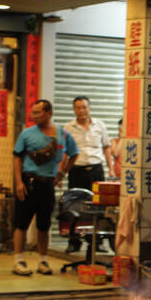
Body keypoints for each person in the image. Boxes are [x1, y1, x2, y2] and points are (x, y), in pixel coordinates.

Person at [12, 99, 79, 276]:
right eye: (32, 112)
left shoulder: (63, 135)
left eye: (37, 113)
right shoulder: (26, 134)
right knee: (21, 223)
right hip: (28, 183)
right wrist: (19, 182)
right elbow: (17, 158)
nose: (33, 116)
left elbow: (74, 154)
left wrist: (62, 173)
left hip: (48, 184)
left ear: (49, 113)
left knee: (44, 225)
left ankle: (43, 260)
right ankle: (18, 260)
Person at [63, 96, 111, 252]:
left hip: (96, 170)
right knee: (74, 206)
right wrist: (61, 172)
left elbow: (106, 147)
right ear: (74, 109)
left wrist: (110, 168)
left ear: (89, 108)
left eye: (84, 107)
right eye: (78, 107)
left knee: (98, 207)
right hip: (77, 171)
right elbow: (64, 152)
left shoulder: (100, 125)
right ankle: (74, 242)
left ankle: (96, 242)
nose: (81, 110)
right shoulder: (68, 128)